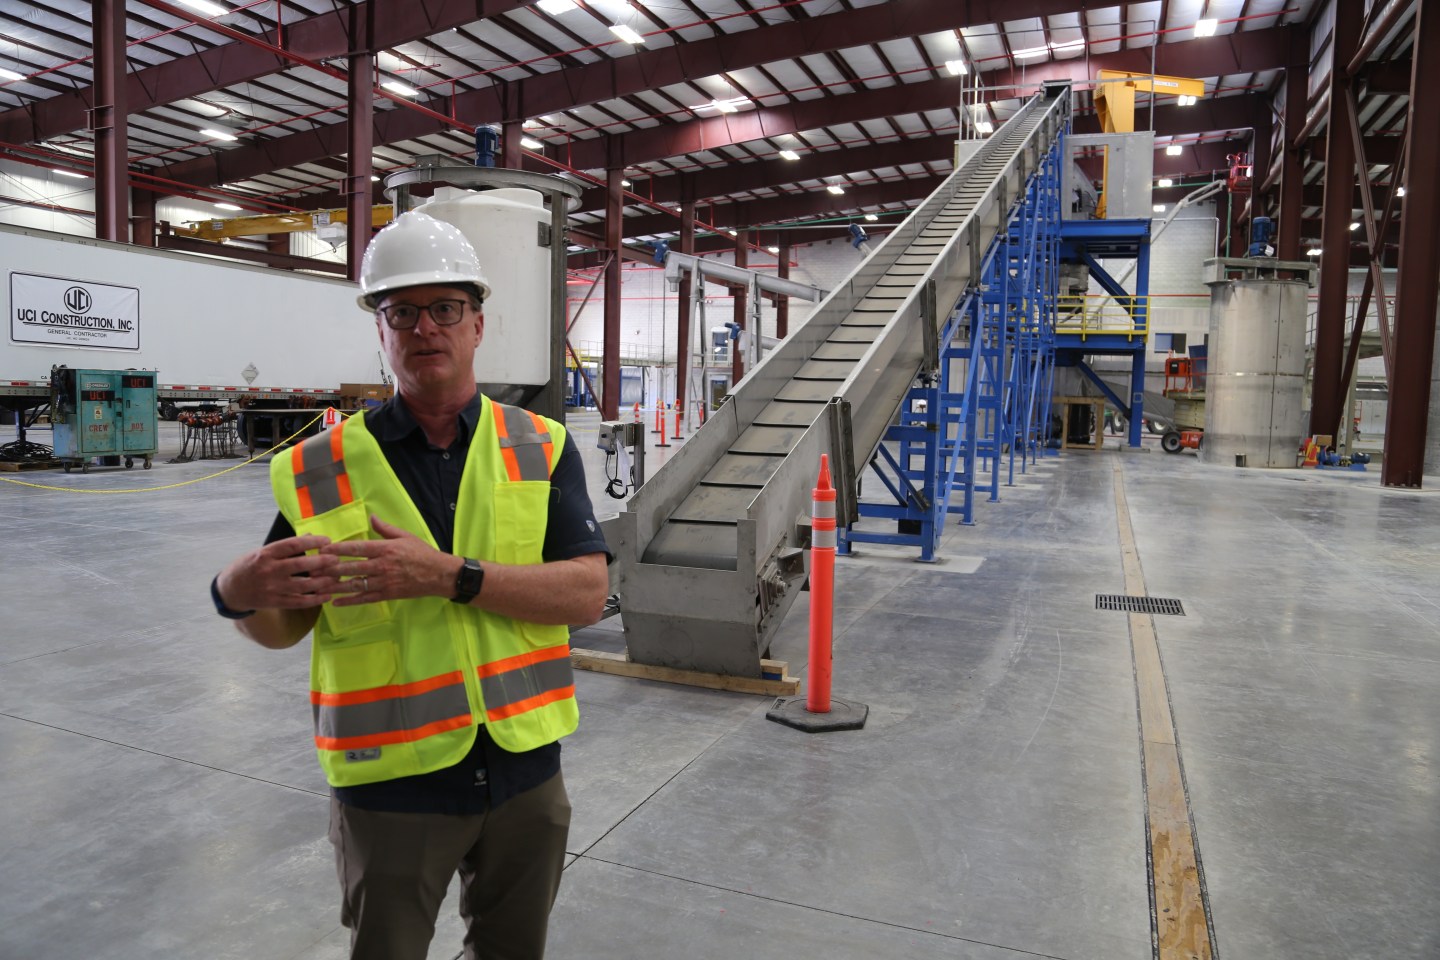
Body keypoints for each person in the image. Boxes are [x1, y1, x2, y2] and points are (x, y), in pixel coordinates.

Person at [210, 210, 611, 960]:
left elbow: (587, 594)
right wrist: (236, 593)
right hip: (391, 782)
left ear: (478, 325)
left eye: (446, 309)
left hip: (525, 774)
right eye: (403, 311)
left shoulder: (540, 445)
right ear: (381, 327)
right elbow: (281, 626)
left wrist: (450, 577)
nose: (426, 328)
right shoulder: (320, 467)